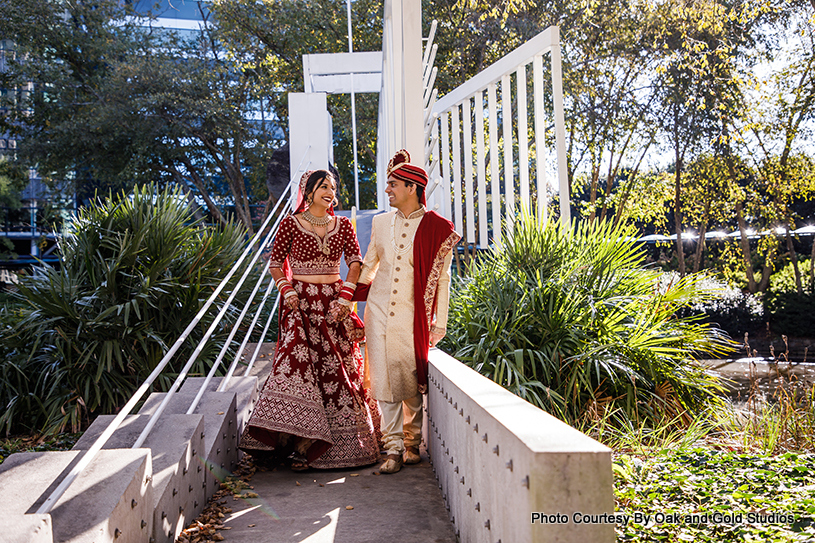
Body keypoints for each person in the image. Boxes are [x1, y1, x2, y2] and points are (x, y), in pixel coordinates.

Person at [240, 170, 380, 470]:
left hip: (334, 302)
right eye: (323, 187)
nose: (330, 191)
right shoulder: (290, 223)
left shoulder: (343, 225)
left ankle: (326, 448)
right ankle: (296, 444)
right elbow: (276, 263)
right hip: (299, 304)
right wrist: (287, 289)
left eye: (332, 187)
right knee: (299, 370)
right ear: (309, 191)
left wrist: (345, 296)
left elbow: (355, 261)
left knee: (338, 370)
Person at [355, 149, 461, 474]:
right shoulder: (380, 222)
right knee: (384, 380)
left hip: (412, 314)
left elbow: (442, 280)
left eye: (393, 184)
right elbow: (369, 265)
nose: (387, 190)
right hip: (378, 310)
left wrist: (438, 323)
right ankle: (393, 448)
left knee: (410, 380)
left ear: (412, 187)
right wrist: (348, 300)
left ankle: (412, 441)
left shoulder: (437, 228)